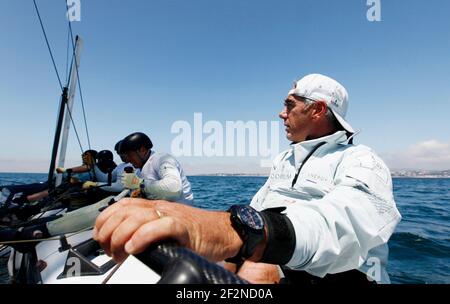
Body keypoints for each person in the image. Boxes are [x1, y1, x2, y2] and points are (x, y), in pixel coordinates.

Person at [93, 74, 401, 284]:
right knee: (221, 265)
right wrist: (217, 236)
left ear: (318, 109)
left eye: (289, 105)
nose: (281, 113)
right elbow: (256, 209)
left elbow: (350, 223)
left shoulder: (362, 160)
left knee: (257, 270)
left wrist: (238, 233)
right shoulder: (285, 159)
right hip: (279, 253)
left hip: (339, 274)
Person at [118, 132, 194, 204]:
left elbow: (174, 188)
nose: (127, 160)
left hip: (179, 210)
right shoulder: (139, 171)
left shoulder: (162, 159)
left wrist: (139, 183)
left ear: (142, 150)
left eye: (129, 155)